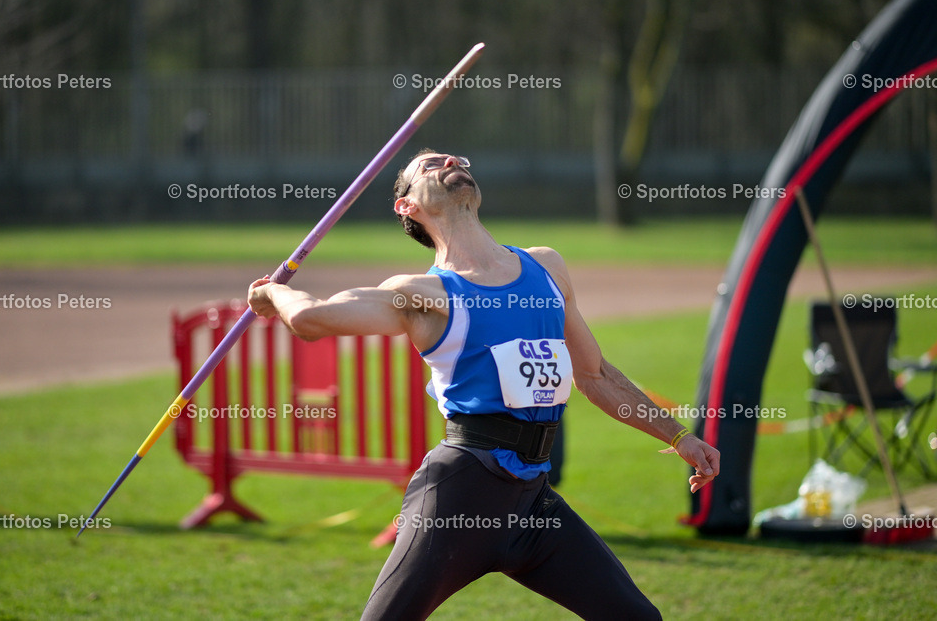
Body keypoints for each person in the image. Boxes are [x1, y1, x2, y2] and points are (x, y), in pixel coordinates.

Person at [248, 150, 720, 620]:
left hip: (533, 501)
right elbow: (311, 319)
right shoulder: (422, 295)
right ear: (407, 206)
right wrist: (273, 292)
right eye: (431, 165)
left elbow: (595, 375)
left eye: (456, 158)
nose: (451, 162)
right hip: (460, 496)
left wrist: (679, 436)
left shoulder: (547, 267)